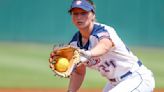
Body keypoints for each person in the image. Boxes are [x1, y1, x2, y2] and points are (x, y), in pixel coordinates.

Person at [49, 0, 155, 92]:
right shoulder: (74, 44)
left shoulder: (104, 30)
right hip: (114, 83)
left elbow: (105, 45)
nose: (79, 17)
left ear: (93, 15)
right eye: (75, 13)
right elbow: (79, 73)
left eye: (83, 13)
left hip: (135, 78)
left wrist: (88, 54)